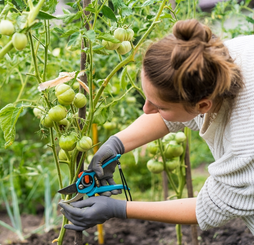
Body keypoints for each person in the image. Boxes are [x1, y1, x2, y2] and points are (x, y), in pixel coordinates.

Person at [59, 19, 254, 235]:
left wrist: (119, 208)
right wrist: (116, 144)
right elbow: (172, 114)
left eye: (158, 106)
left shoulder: (245, 141)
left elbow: (214, 205)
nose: (146, 109)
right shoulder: (211, 59)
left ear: (203, 105)